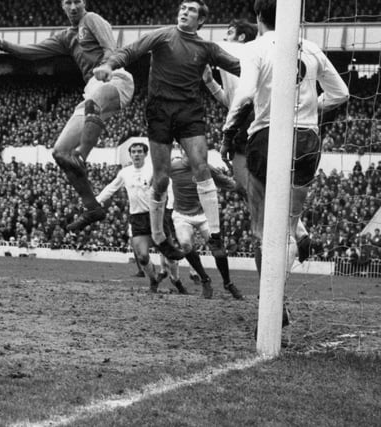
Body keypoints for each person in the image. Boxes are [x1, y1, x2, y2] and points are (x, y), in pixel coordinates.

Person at [223, 0, 349, 324]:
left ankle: (270, 308)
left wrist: (228, 130)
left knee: (263, 227)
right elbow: (341, 94)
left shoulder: (256, 48)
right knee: (290, 227)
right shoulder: (310, 47)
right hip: (307, 138)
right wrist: (312, 110)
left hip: (266, 137)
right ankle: (278, 297)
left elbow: (247, 92)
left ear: (258, 16)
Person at [93, 0, 240, 262]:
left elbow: (239, 65)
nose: (184, 11)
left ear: (201, 20)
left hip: (189, 113)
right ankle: (159, 236)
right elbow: (130, 51)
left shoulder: (206, 48)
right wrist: (109, 65)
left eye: (191, 10)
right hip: (160, 111)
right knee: (160, 179)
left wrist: (277, 72)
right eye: (183, 7)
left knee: (201, 166)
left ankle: (215, 236)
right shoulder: (163, 36)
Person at [0, 0, 134, 233]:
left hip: (115, 78)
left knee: (90, 114)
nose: (73, 6)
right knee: (60, 152)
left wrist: (106, 66)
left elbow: (110, 48)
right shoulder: (66, 36)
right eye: (68, 2)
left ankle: (82, 156)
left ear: (84, 3)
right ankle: (92, 207)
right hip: (92, 89)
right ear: (62, 6)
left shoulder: (92, 19)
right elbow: (33, 52)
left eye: (77, 1)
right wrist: (4, 44)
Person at [203, 18, 312, 263]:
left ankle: (289, 233)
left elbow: (206, 46)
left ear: (241, 37)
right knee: (251, 187)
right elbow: (230, 100)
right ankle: (298, 230)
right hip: (249, 117)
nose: (225, 36)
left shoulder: (236, 49)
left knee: (251, 189)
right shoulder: (241, 61)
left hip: (249, 120)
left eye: (229, 32)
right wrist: (210, 83)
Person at [95, 141, 189, 293]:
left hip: (156, 216)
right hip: (137, 218)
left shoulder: (153, 169)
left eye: (140, 151)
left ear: (145, 154)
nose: (136, 154)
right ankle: (153, 280)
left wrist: (170, 206)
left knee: (169, 255)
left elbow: (168, 184)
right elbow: (111, 187)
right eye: (133, 152)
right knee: (143, 256)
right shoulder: (124, 173)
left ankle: (176, 280)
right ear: (130, 155)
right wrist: (97, 200)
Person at [169, 145, 244, 300]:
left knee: (218, 249)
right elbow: (157, 176)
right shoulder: (173, 167)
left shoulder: (206, 168)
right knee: (185, 244)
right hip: (182, 215)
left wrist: (244, 187)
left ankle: (228, 283)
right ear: (183, 152)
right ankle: (204, 279)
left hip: (204, 215)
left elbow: (229, 183)